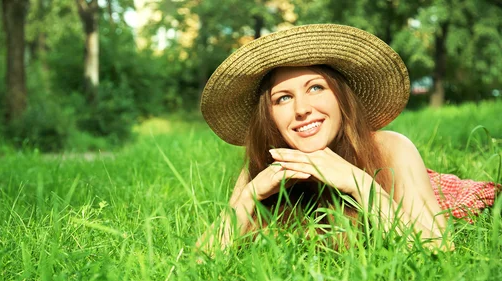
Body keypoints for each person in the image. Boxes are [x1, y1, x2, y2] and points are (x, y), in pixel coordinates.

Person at [198, 24, 500, 251]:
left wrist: (360, 183)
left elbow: (440, 247)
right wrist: (250, 195)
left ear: (341, 98)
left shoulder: (392, 149)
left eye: (316, 87)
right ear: (270, 115)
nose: (302, 109)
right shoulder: (268, 163)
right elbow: (203, 258)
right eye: (283, 98)